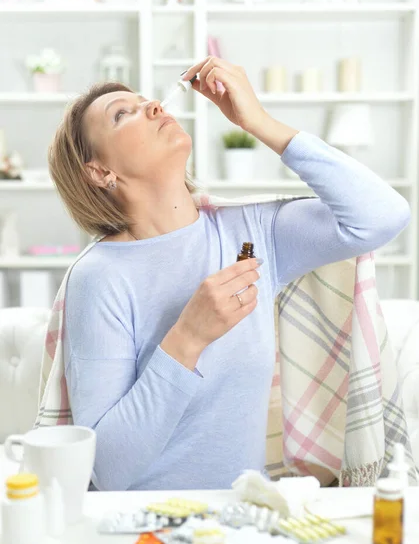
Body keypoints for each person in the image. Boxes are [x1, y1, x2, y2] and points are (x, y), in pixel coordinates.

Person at [49, 57, 410, 491]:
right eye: (123, 113)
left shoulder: (251, 233)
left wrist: (259, 122)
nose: (154, 108)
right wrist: (187, 338)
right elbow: (106, 470)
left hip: (245, 518)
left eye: (148, 101)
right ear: (99, 171)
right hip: (144, 529)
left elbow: (382, 217)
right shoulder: (100, 277)